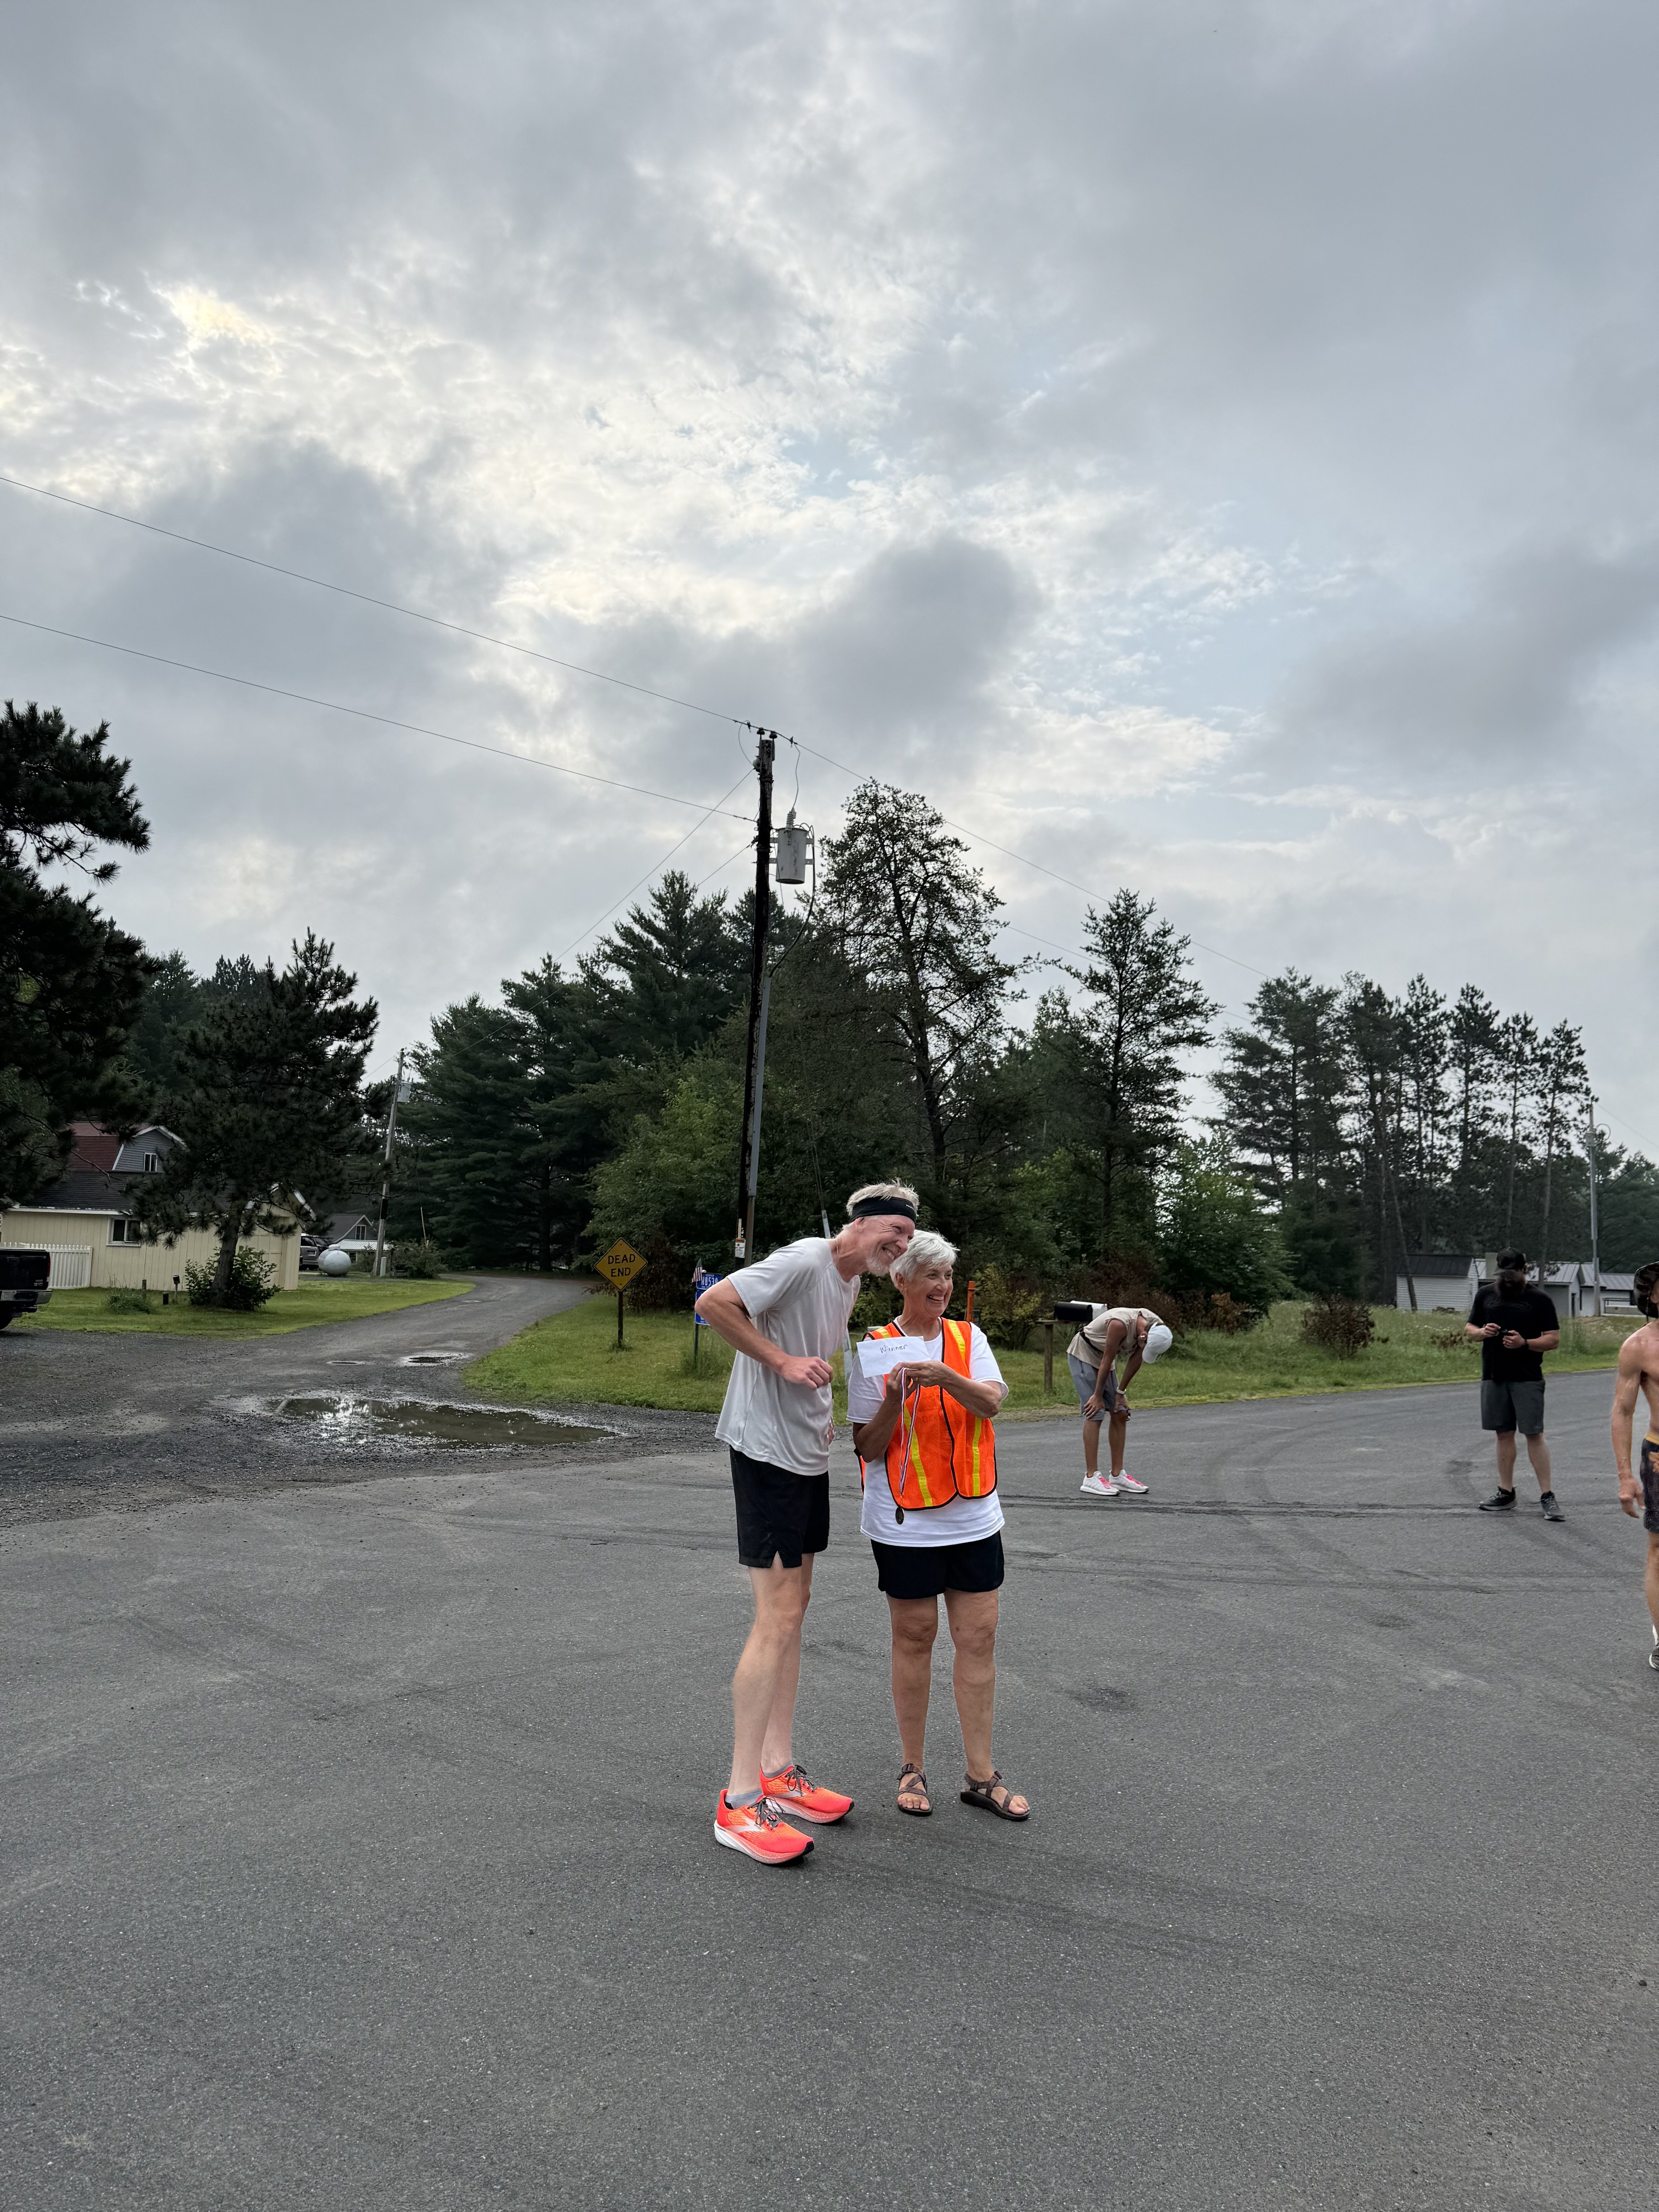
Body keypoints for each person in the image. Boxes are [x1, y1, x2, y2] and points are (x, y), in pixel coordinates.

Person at [696, 1180, 918, 1865]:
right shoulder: (803, 1259)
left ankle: (778, 1770)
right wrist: (781, 1361)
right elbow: (714, 1302)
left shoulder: (848, 1281)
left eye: (908, 1238)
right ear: (861, 1224)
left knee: (795, 1608)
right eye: (894, 1232)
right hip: (764, 1452)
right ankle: (737, 1802)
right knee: (775, 1617)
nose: (900, 1246)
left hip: (801, 1458)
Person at [848, 1230, 1028, 1820]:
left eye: (948, 1277)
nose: (943, 1288)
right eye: (931, 1276)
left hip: (975, 1516)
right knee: (915, 1638)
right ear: (901, 1280)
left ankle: (981, 1774)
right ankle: (913, 1768)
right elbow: (868, 1449)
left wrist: (945, 1376)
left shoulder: (968, 1339)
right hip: (905, 1524)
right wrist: (893, 1400)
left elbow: (992, 1403)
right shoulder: (874, 1347)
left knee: (978, 1640)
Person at [1466, 1249, 1563, 1519]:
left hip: (1527, 1378)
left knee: (1534, 1434)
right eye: (1503, 1275)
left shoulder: (1539, 1300)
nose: (1507, 1280)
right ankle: (1506, 1492)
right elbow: (1469, 1330)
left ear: (1525, 1270)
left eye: (1513, 1275)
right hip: (1494, 1375)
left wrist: (1525, 1344)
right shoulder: (1486, 1296)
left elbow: (1553, 1339)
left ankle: (1548, 1495)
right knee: (1503, 1434)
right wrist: (1482, 1333)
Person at [1066, 1304, 1174, 1498]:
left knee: (1121, 1412)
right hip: (1084, 1354)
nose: (1143, 1348)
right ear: (1143, 1337)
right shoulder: (1120, 1324)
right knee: (1095, 1412)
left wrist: (1120, 1392)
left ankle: (1117, 1475)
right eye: (1144, 1345)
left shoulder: (1156, 1327)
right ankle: (1091, 1478)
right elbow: (1107, 1359)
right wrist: (1098, 1396)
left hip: (1105, 1359)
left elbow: (1136, 1359)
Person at [1609, 1258, 1659, 1671]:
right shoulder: (1639, 1346)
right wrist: (1626, 1477)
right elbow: (1623, 1411)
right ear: (1652, 1296)